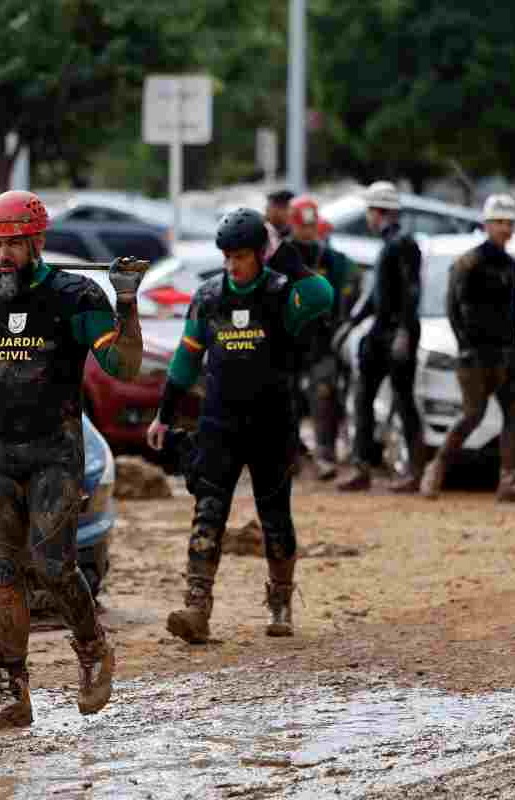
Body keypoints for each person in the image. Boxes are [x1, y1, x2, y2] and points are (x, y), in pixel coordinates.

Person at [0, 190, 145, 731]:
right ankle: (12, 693)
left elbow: (124, 366)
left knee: (53, 565)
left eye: (14, 243)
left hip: (54, 452)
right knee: (0, 574)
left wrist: (127, 302)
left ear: (38, 240)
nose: (3, 255)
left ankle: (91, 649)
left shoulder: (76, 295)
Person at [147, 208, 334, 642]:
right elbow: (185, 359)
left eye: (243, 255)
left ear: (259, 255)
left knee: (275, 516)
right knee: (208, 511)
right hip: (220, 424)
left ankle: (281, 602)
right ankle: (197, 607)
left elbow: (322, 294)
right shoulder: (209, 297)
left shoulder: (282, 293)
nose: (233, 264)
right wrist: (164, 414)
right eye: (228, 255)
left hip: (271, 423)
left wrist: (284, 253)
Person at [421, 195, 515, 503]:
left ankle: (509, 481)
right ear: (486, 225)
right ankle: (436, 467)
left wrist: (514, 349)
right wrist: (467, 347)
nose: (505, 228)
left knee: (514, 416)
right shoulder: (468, 263)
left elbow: (511, 312)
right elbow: (454, 309)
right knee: (473, 415)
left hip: (507, 354)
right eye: (499, 222)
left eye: (509, 223)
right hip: (476, 356)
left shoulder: (511, 266)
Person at [336, 181, 425, 492]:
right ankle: (362, 466)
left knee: (403, 400)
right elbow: (377, 296)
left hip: (397, 332)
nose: (368, 219)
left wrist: (402, 332)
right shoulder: (387, 246)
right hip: (380, 332)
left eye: (370, 212)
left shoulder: (404, 244)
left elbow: (412, 292)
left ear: (378, 212)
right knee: (363, 397)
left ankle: (414, 473)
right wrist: (350, 323)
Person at [286, 196, 355, 480]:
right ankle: (289, 455)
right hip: (288, 339)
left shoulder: (329, 258)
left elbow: (345, 290)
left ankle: (324, 454)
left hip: (321, 339)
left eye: (312, 226)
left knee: (324, 395)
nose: (309, 231)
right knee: (285, 397)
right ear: (293, 224)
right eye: (304, 226)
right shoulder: (281, 256)